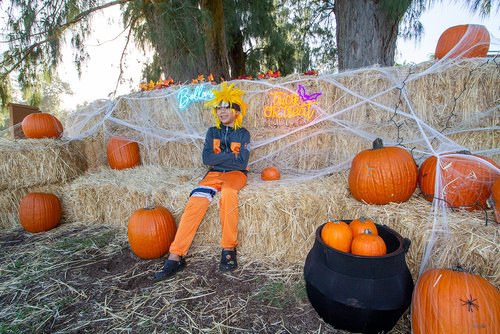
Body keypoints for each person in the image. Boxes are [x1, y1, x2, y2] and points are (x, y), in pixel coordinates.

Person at [154, 82, 251, 281]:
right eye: (219, 107)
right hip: (213, 174)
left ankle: (228, 248)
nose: (222, 111)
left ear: (236, 110)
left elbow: (242, 161)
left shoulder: (243, 134)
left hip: (236, 174)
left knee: (229, 195)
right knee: (197, 199)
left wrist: (221, 157)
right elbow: (207, 160)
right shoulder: (212, 132)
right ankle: (176, 255)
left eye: (226, 107)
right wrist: (228, 157)